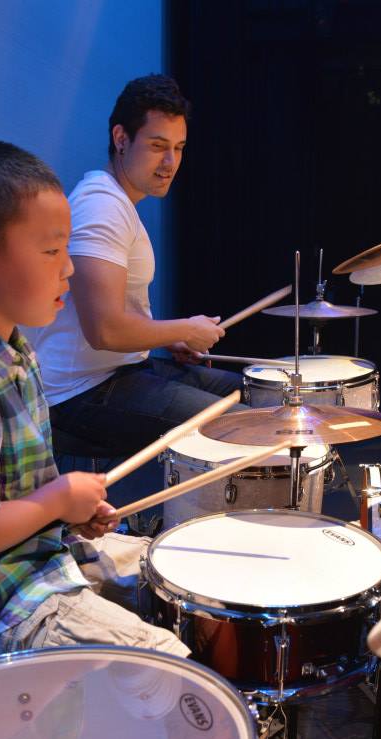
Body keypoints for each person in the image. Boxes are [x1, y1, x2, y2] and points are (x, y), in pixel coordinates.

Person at [0, 140, 188, 670]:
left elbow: (12, 499)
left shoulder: (15, 352)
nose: (69, 269)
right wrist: (57, 500)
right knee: (173, 670)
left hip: (37, 562)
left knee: (176, 580)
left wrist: (67, 516)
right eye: (51, 251)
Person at [29, 74, 243, 458]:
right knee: (240, 428)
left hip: (118, 371)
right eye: (158, 146)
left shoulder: (118, 202)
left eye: (178, 148)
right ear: (121, 138)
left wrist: (169, 337)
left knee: (251, 394)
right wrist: (184, 329)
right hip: (80, 392)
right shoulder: (102, 206)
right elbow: (105, 330)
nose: (170, 163)